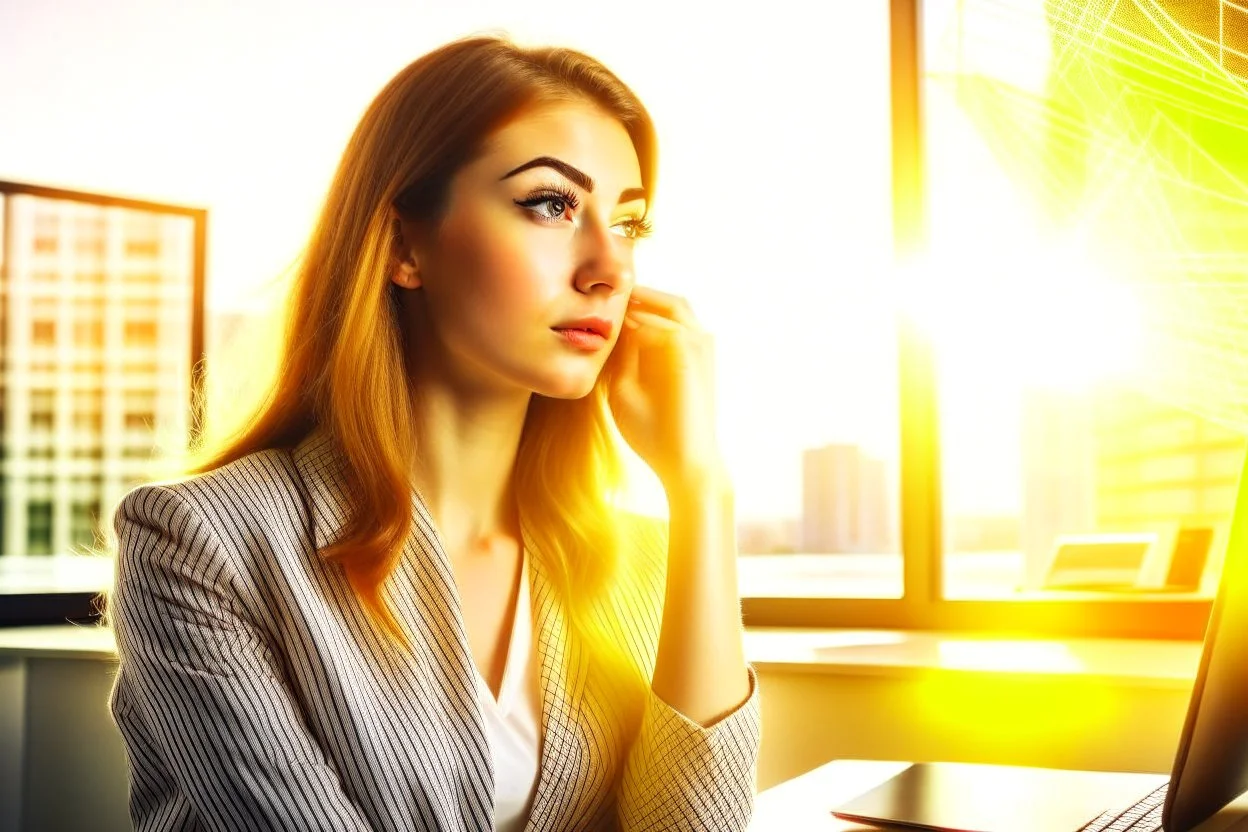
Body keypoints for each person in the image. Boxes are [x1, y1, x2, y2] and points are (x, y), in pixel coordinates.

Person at [106, 33, 760, 832]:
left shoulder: (634, 562)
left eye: (629, 225)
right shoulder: (199, 541)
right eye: (551, 204)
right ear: (404, 245)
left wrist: (703, 490)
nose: (610, 269)